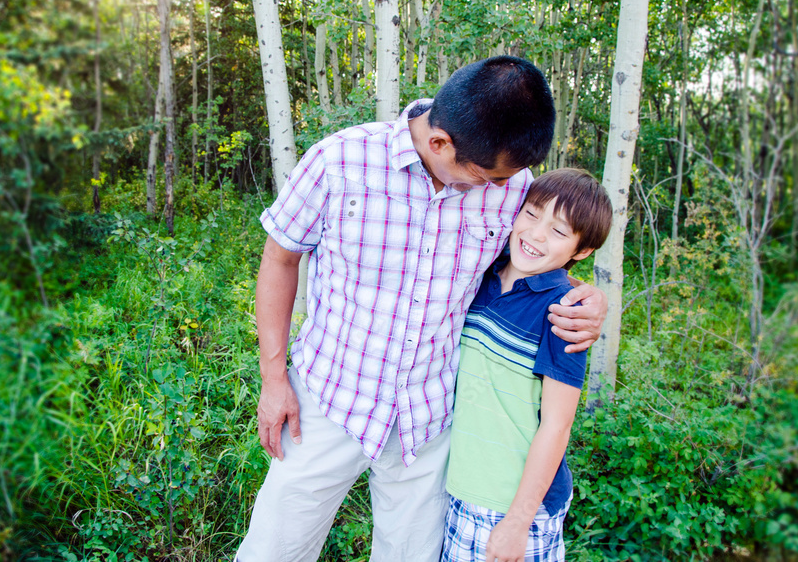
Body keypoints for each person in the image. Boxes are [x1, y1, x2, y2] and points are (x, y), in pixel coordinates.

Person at [236, 56, 608, 562]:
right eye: (487, 178)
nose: (501, 189)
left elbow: (536, 258)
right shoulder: (338, 161)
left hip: (428, 418)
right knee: (273, 551)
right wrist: (273, 378)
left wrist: (587, 297)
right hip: (327, 402)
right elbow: (280, 258)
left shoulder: (514, 188)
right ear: (439, 144)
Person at [441, 168, 613, 562]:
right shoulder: (482, 275)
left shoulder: (565, 313)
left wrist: (518, 521)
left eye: (558, 230)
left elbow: (557, 424)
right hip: (460, 488)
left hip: (512, 507)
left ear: (582, 251)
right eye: (532, 214)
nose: (536, 234)